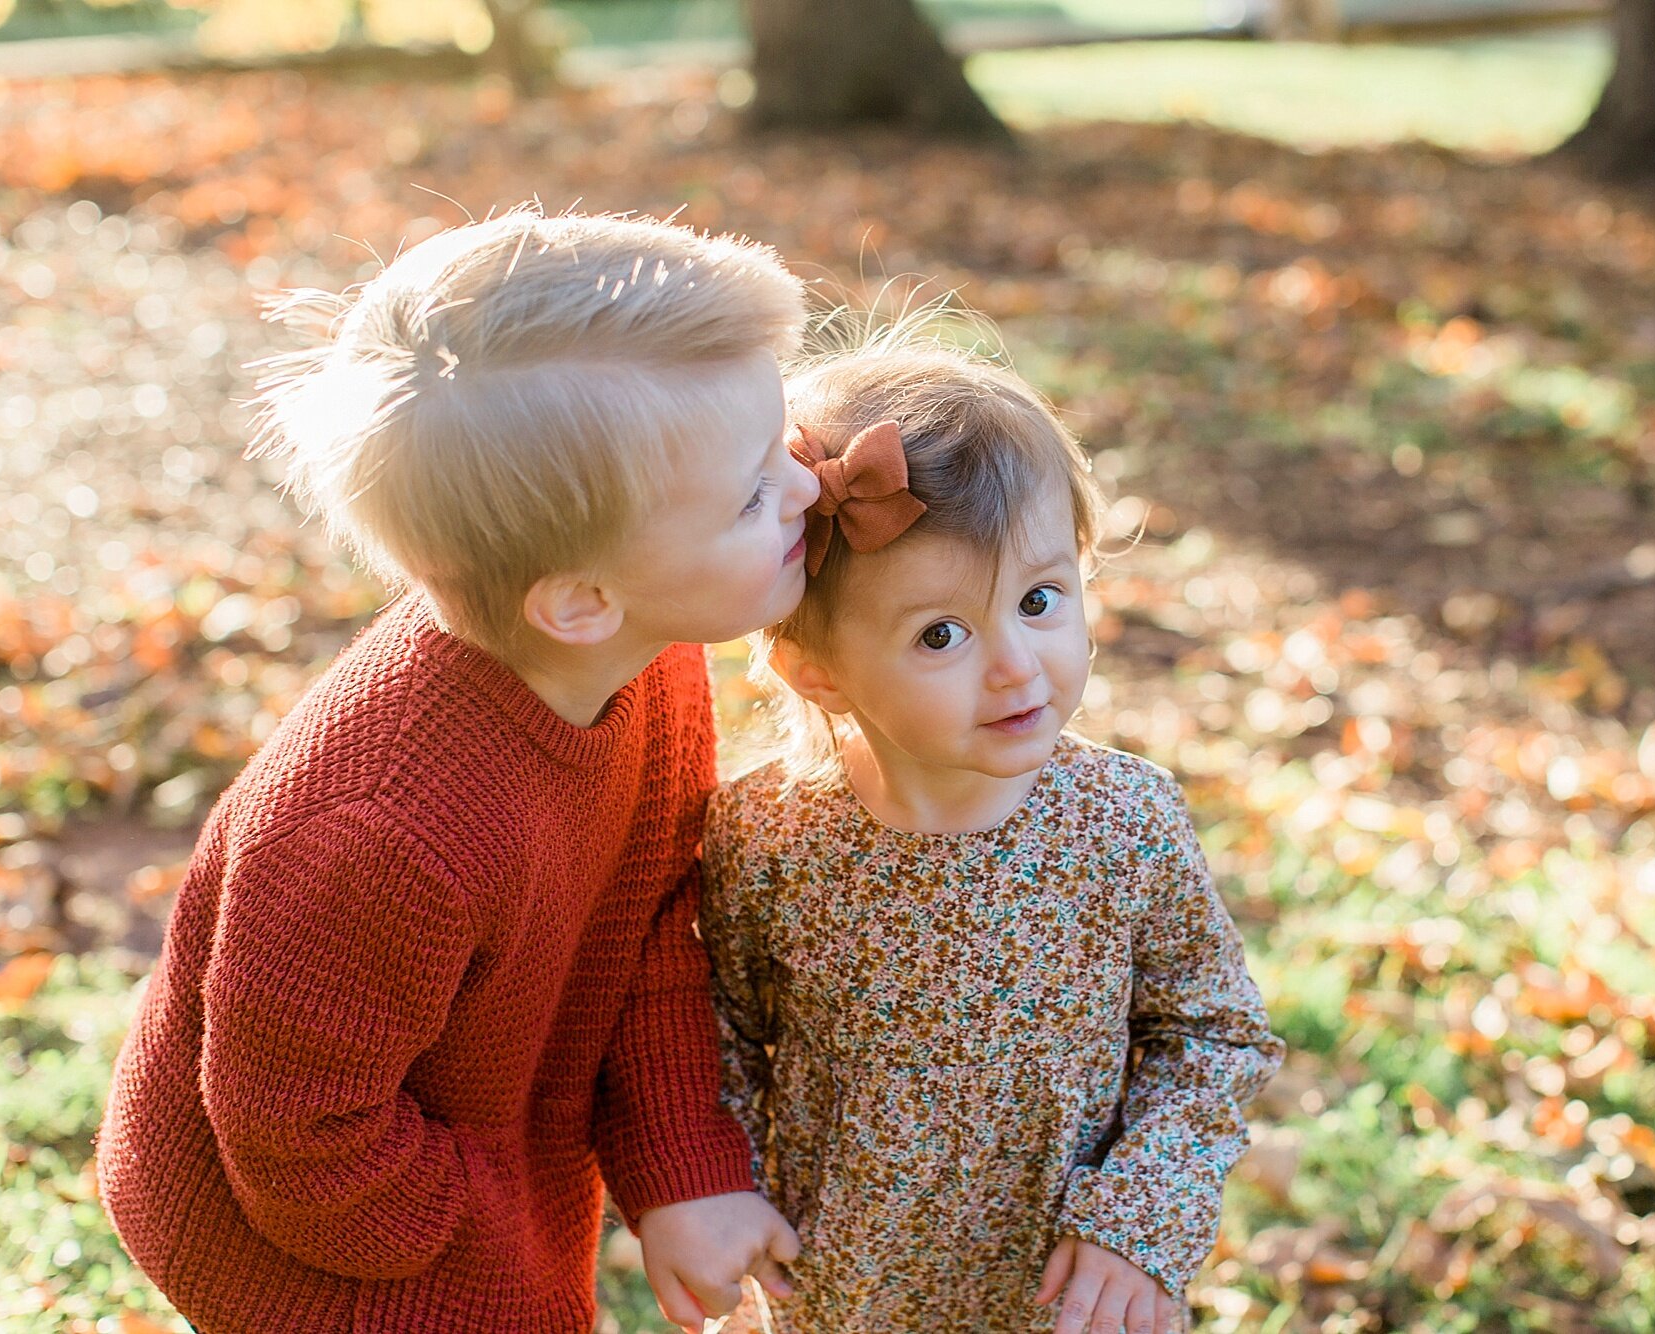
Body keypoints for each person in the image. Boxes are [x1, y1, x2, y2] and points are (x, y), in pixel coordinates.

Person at [97, 207, 818, 1334]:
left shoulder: (646, 656)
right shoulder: (376, 829)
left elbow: (647, 924)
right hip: (310, 1238)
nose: (806, 489)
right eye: (750, 493)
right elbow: (295, 1133)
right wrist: (489, 1227)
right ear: (579, 598)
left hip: (456, 1120)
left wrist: (680, 1163)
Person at [700, 337, 1285, 1333]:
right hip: (839, 1293)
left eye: (1040, 598)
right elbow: (709, 1039)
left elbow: (1211, 1031)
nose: (1017, 664)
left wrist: (1137, 1222)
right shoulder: (765, 839)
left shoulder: (1122, 819)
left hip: (1067, 1296)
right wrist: (722, 1192)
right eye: (942, 633)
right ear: (816, 666)